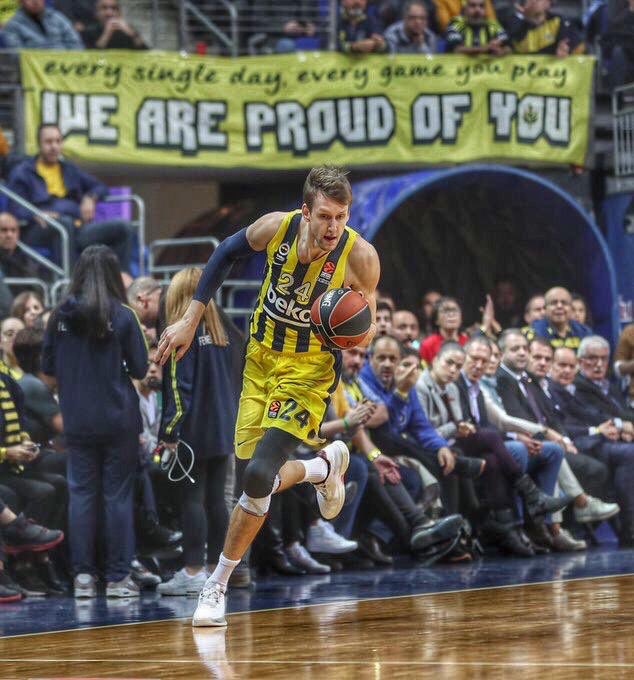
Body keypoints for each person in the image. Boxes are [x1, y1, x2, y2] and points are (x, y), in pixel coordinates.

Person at [158, 165, 380, 627]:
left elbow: (366, 329)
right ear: (306, 211)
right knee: (251, 483)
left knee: (259, 475)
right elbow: (223, 254)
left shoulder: (359, 256)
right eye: (325, 216)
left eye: (341, 217)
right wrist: (189, 320)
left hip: (309, 372)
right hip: (259, 361)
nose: (333, 227)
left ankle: (217, 584)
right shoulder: (275, 227)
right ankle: (321, 468)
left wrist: (345, 327)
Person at [42, 245, 148, 598]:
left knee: (82, 494)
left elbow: (47, 367)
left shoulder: (59, 315)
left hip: (76, 418)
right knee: (117, 496)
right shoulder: (124, 315)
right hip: (119, 418)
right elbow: (141, 368)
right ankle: (118, 578)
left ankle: (83, 578)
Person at [157, 268, 237, 596]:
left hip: (193, 431)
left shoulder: (182, 337)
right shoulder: (221, 335)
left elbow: (180, 390)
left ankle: (192, 570)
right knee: (217, 501)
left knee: (192, 500)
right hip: (224, 427)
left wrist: (169, 431)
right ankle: (217, 573)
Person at [7, 124, 135, 275]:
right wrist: (36, 214)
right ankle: (72, 283)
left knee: (123, 228)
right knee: (63, 223)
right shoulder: (23, 172)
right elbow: (15, 207)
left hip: (76, 227)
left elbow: (100, 187)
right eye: (48, 142)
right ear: (39, 144)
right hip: (40, 228)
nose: (54, 146)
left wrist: (90, 197)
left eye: (58, 141)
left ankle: (121, 280)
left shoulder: (69, 169)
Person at [507, 0, 585, 56]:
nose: (534, 1)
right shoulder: (512, 26)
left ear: (549, 3)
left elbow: (582, 54)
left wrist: (568, 53)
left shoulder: (561, 23)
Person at [527, 286, 592, 351]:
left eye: (564, 303)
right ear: (545, 309)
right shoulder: (535, 331)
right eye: (554, 303)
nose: (559, 306)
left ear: (570, 308)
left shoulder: (584, 331)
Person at [3, 0, 82, 48]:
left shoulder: (57, 18)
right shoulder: (12, 25)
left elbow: (76, 44)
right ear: (20, 2)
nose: (35, 2)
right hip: (32, 69)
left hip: (64, 66)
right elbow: (16, 54)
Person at [445, 0, 510, 55]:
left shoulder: (493, 25)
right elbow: (457, 49)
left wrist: (501, 52)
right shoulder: (456, 23)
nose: (477, 10)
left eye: (481, 6)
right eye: (472, 5)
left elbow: (509, 46)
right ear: (465, 9)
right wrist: (486, 48)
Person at [419, 296, 468, 365]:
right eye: (445, 311)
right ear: (436, 320)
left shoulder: (468, 342)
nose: (451, 314)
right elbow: (423, 369)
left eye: (455, 310)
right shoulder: (427, 345)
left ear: (461, 318)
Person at [80, 0, 146, 49]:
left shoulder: (128, 30)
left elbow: (145, 53)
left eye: (114, 8)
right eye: (104, 8)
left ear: (119, 13)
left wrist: (132, 35)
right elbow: (89, 56)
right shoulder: (88, 31)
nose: (109, 13)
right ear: (96, 12)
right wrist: (106, 34)